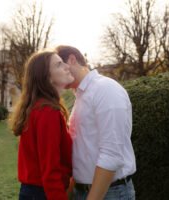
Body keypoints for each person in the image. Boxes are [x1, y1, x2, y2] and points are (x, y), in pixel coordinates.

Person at [56, 45, 137, 200]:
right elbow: (82, 155)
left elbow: (111, 155)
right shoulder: (82, 96)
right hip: (88, 192)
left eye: (59, 65)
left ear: (72, 60)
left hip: (110, 193)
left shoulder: (105, 89)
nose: (54, 76)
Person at [9, 50, 74, 200]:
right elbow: (50, 170)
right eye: (59, 64)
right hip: (43, 193)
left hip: (36, 192)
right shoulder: (47, 111)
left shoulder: (40, 107)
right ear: (47, 77)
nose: (67, 66)